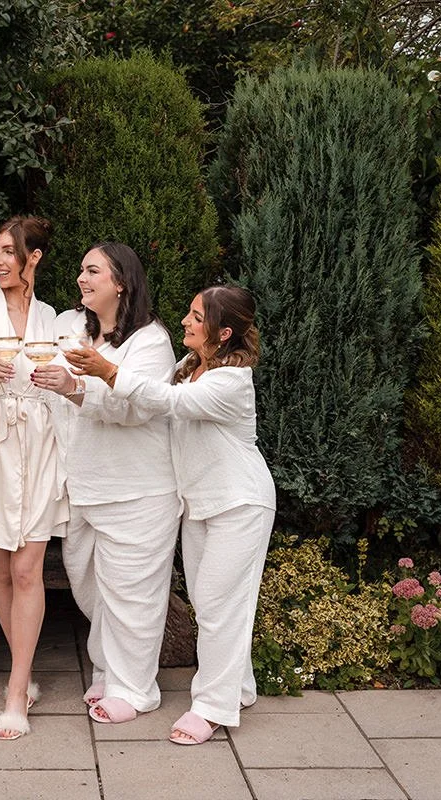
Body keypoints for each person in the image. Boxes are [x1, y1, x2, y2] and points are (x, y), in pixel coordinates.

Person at [65, 284, 276, 744]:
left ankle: (212, 707)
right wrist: (79, 390)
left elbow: (168, 403)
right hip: (199, 504)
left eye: (197, 317)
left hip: (240, 502)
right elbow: (144, 401)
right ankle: (239, 686)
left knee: (221, 606)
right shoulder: (188, 368)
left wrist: (108, 370)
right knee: (210, 602)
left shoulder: (231, 383)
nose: (185, 320)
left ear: (223, 333)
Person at [30, 242, 179, 725]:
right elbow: (32, 356)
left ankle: (135, 689)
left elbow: (136, 409)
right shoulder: (74, 329)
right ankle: (107, 671)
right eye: (80, 270)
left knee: (133, 593)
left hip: (137, 490)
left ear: (121, 282)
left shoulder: (150, 341)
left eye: (92, 271)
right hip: (83, 488)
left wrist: (78, 387)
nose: (81, 278)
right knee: (91, 587)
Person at [0, 215, 68, 740]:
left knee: (28, 571)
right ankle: (23, 676)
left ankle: (17, 687)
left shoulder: (55, 318)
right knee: (0, 571)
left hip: (40, 444)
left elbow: (68, 381)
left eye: (9, 251)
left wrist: (63, 382)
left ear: (34, 257)